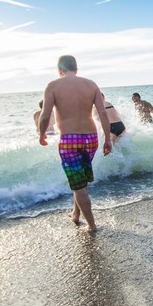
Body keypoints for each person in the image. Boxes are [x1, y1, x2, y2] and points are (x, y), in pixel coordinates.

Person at [39, 55, 112, 231]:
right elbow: (102, 113)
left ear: (59, 70)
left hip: (69, 140)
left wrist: (41, 134)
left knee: (78, 185)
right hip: (91, 138)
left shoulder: (53, 86)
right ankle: (76, 214)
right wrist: (108, 138)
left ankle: (92, 226)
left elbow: (45, 115)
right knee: (80, 181)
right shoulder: (91, 84)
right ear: (76, 69)